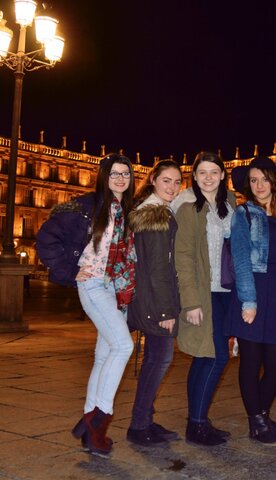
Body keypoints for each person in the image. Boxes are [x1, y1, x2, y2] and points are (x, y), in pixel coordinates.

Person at [60, 153, 136, 458]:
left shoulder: (126, 208)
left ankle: (88, 416)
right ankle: (98, 422)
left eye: (125, 174)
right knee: (123, 347)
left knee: (104, 353)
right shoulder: (88, 205)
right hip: (93, 284)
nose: (120, 178)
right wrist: (69, 269)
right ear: (103, 176)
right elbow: (47, 237)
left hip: (114, 287)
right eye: (114, 173)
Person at [227, 157, 276, 446]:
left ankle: (262, 413)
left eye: (264, 179)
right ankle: (256, 421)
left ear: (274, 182)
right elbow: (241, 258)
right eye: (253, 180)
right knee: (252, 362)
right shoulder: (243, 213)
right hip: (253, 290)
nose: (259, 185)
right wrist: (248, 301)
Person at [172, 151, 236, 446]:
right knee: (215, 356)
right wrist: (191, 302)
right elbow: (183, 257)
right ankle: (197, 424)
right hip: (203, 292)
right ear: (194, 177)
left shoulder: (230, 204)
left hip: (226, 291)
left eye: (214, 172)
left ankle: (197, 421)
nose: (208, 178)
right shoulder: (188, 208)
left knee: (204, 358)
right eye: (202, 173)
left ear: (223, 175)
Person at [125, 160, 183, 446]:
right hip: (154, 302)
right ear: (153, 181)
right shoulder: (157, 216)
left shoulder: (149, 211)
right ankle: (138, 426)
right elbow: (160, 267)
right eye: (166, 181)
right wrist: (166, 310)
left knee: (154, 361)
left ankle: (144, 419)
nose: (172, 187)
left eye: (176, 182)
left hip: (144, 298)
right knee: (159, 361)